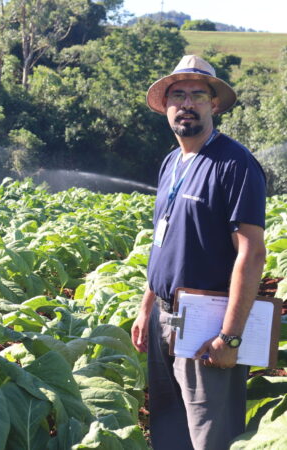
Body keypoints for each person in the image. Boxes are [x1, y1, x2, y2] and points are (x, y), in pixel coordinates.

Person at [131, 55, 267, 449]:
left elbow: (252, 253)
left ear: (214, 104)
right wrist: (146, 306)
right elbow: (164, 240)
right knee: (170, 431)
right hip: (163, 316)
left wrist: (231, 337)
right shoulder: (172, 162)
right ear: (166, 106)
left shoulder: (235, 163)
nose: (186, 104)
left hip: (207, 323)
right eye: (178, 95)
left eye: (197, 95)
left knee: (210, 435)